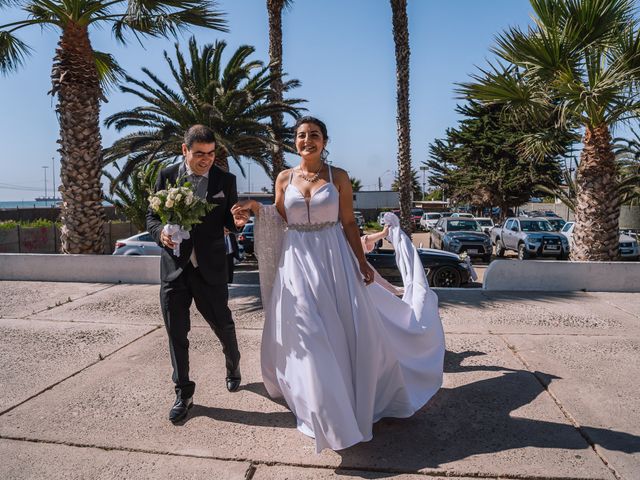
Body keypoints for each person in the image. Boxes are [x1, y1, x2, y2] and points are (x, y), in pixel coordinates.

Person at [232, 116, 444, 452]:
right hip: (297, 264)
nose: (307, 141)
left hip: (334, 260)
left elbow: (347, 222)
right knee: (310, 333)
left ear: (325, 141)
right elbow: (279, 217)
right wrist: (253, 208)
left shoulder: (338, 177)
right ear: (294, 142)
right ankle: (325, 412)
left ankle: (346, 400)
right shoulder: (284, 177)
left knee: (340, 329)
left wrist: (362, 262)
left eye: (314, 135)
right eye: (301, 136)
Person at [147, 124, 245, 424]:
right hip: (174, 270)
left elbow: (231, 216)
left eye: (212, 153)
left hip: (210, 269)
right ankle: (183, 392)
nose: (206, 160)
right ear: (184, 150)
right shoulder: (166, 176)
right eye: (200, 154)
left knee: (222, 324)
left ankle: (233, 362)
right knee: (176, 333)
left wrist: (238, 220)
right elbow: (151, 215)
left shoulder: (224, 179)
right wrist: (159, 233)